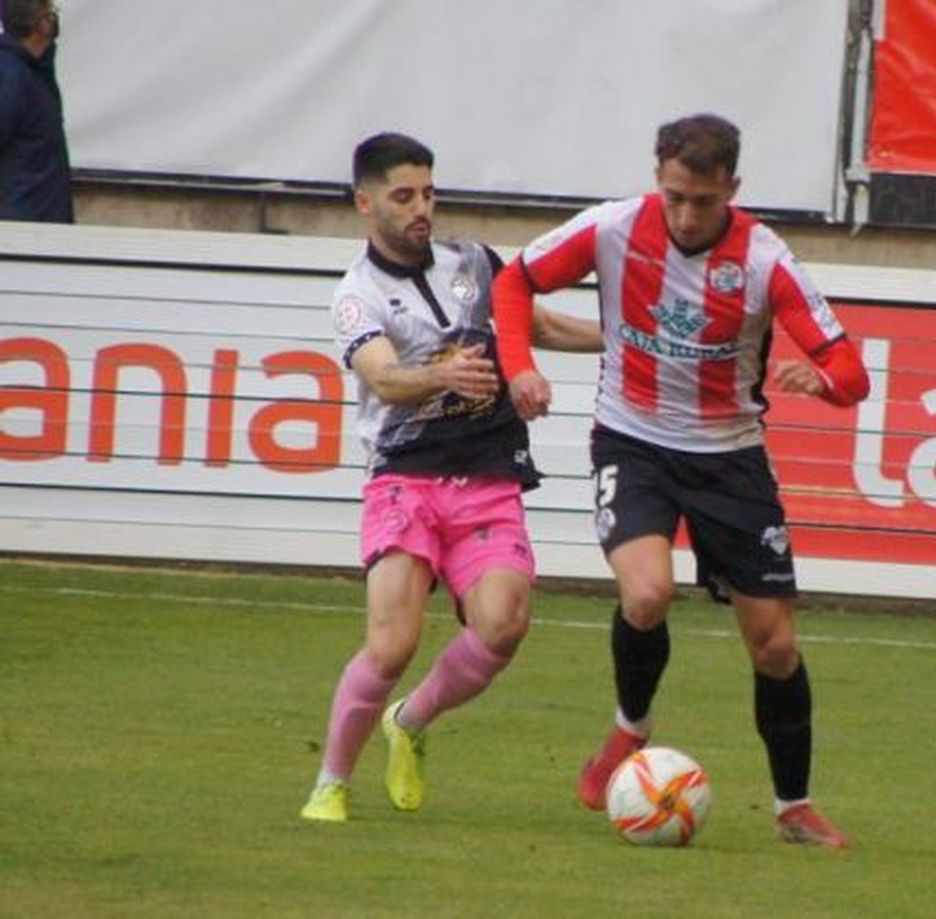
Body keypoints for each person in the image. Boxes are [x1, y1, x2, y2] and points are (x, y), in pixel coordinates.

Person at [492, 113, 869, 849]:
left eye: (703, 200)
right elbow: (514, 281)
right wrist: (520, 367)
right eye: (674, 196)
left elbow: (853, 371)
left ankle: (794, 805)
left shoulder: (764, 259)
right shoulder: (611, 229)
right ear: (657, 180)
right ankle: (630, 727)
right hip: (633, 444)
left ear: (733, 188)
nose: (687, 214)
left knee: (775, 647)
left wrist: (820, 380)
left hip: (731, 459)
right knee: (646, 592)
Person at [299, 132, 599, 822]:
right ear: (365, 202)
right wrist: (441, 373)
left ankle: (409, 720)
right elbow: (380, 375)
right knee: (392, 643)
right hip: (404, 479)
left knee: (503, 623)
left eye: (428, 192)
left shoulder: (473, 261)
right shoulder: (356, 294)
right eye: (403, 196)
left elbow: (539, 324)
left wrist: (626, 336)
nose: (420, 208)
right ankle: (331, 782)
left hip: (488, 475)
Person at [0, 0, 72, 222]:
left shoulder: (33, 71)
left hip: (39, 218)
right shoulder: (11, 77)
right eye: (51, 12)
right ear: (41, 24)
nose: (55, 17)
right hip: (22, 223)